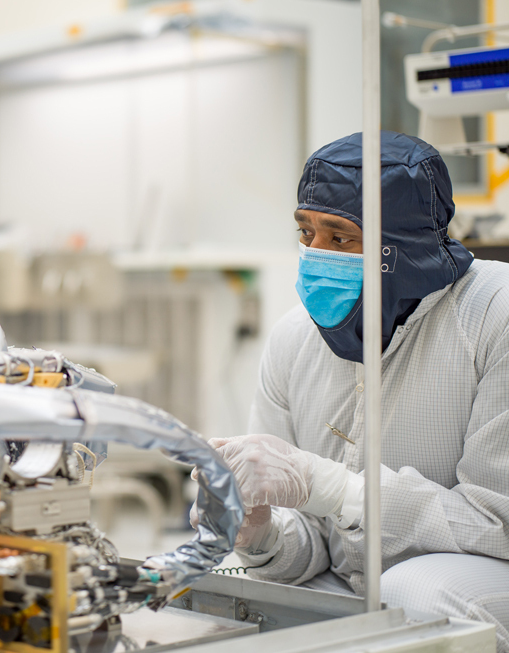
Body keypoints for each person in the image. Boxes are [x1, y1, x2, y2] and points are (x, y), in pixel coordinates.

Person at [209, 131, 509, 651]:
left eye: (340, 238)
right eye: (306, 234)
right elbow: (316, 550)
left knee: (409, 592)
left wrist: (334, 487)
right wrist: (260, 534)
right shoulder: (293, 339)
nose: (315, 256)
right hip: (363, 582)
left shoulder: (492, 315)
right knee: (232, 589)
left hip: (480, 574)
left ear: (402, 247)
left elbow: (495, 524)